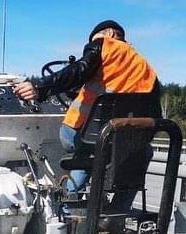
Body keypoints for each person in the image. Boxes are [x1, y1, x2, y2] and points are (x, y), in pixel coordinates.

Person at [13, 20, 160, 207]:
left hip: (81, 135)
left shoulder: (105, 44)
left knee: (86, 149)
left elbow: (79, 69)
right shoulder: (147, 69)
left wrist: (40, 87)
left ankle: (68, 204)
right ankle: (118, 212)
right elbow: (154, 114)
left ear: (110, 33)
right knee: (142, 152)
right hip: (123, 140)